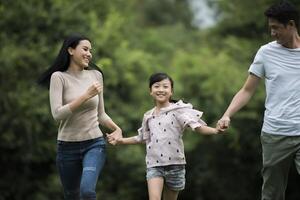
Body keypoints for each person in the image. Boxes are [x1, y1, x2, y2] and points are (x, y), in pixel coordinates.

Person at [217, 1, 300, 200]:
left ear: (291, 24)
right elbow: (247, 90)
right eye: (270, 28)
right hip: (274, 133)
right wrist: (227, 114)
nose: (272, 33)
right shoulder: (266, 53)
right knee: (272, 193)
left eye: (276, 28)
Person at [107, 72, 223, 200]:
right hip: (154, 164)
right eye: (156, 86)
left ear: (171, 91)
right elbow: (141, 137)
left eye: (165, 86)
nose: (161, 89)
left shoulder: (178, 111)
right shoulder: (148, 116)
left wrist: (215, 130)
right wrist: (120, 141)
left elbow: (197, 127)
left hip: (175, 164)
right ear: (150, 91)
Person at [38, 33, 122, 200]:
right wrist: (85, 96)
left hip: (94, 144)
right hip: (66, 148)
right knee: (72, 196)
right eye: (85, 49)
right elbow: (57, 114)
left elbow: (101, 114)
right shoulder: (59, 77)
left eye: (90, 50)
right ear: (70, 50)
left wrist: (117, 129)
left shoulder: (96, 76)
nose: (89, 54)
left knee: (87, 191)